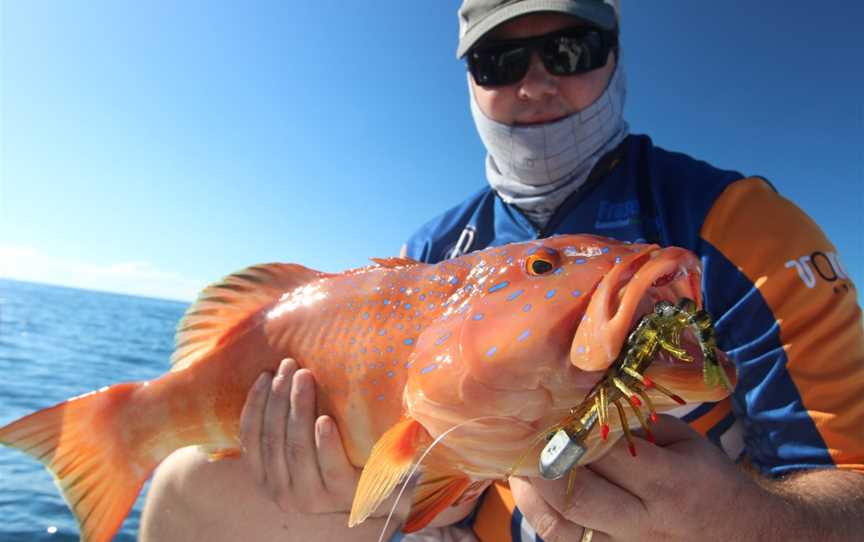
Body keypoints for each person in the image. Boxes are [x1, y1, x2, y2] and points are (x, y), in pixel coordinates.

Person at [140, 1, 864, 541]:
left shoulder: (736, 228)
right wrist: (359, 487)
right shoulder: (434, 246)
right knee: (186, 489)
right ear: (470, 82)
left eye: (571, 48)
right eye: (500, 62)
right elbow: (415, 473)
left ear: (616, 55)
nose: (536, 84)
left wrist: (739, 521)